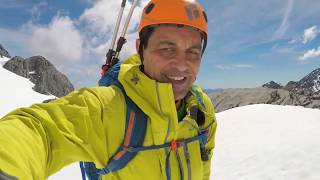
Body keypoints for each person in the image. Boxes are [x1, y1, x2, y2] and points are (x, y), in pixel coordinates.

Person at [0, 0, 217, 179]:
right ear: (140, 48)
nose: (181, 64)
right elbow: (41, 130)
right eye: (167, 49)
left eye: (193, 52)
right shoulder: (108, 107)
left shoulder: (201, 109)